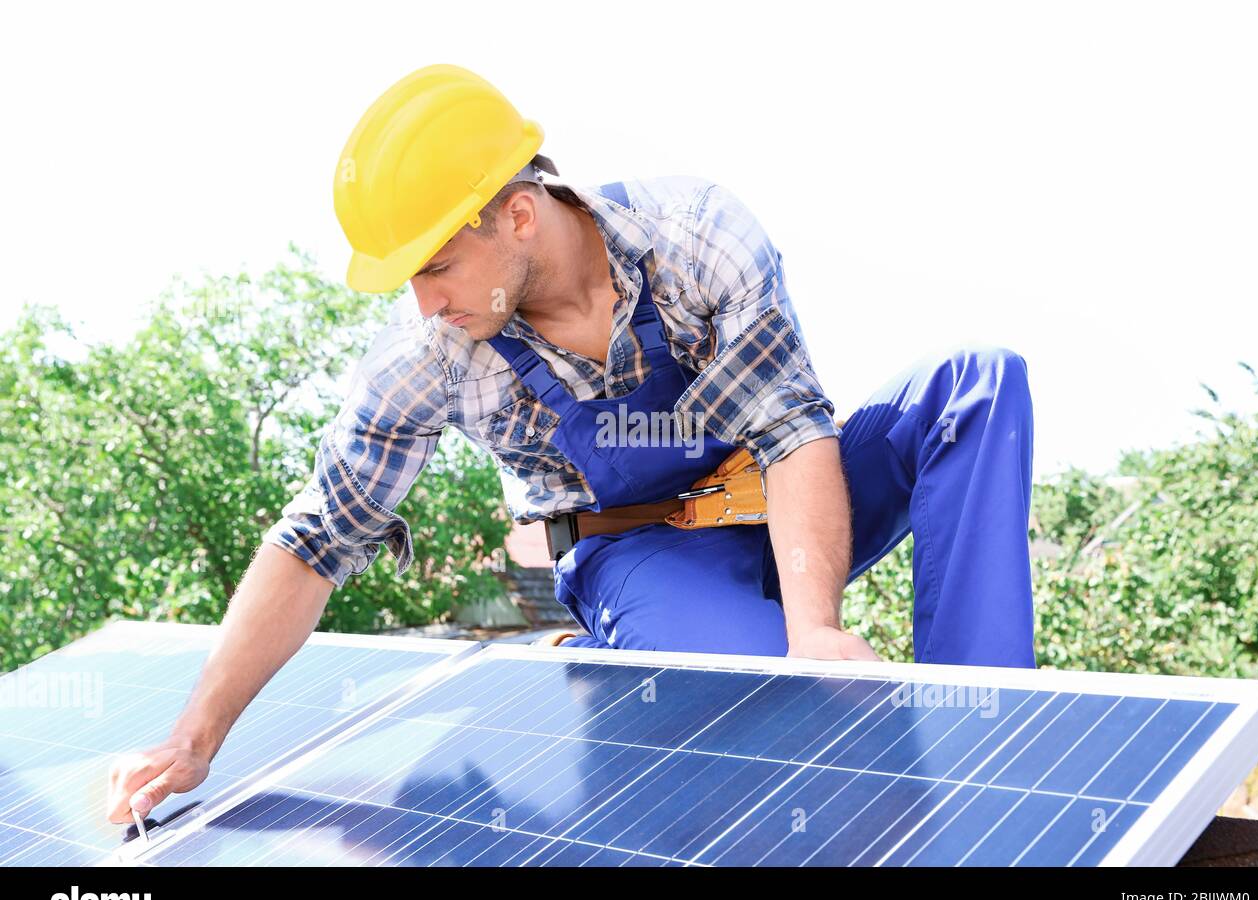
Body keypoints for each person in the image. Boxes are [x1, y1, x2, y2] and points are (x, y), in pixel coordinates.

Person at [105, 64, 1036, 826]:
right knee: (771, 716)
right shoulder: (434, 360)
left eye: (434, 265)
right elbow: (315, 540)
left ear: (517, 213)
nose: (425, 303)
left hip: (789, 501)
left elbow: (794, 432)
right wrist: (195, 738)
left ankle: (986, 736)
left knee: (977, 382)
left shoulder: (699, 236)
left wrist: (819, 633)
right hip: (644, 553)